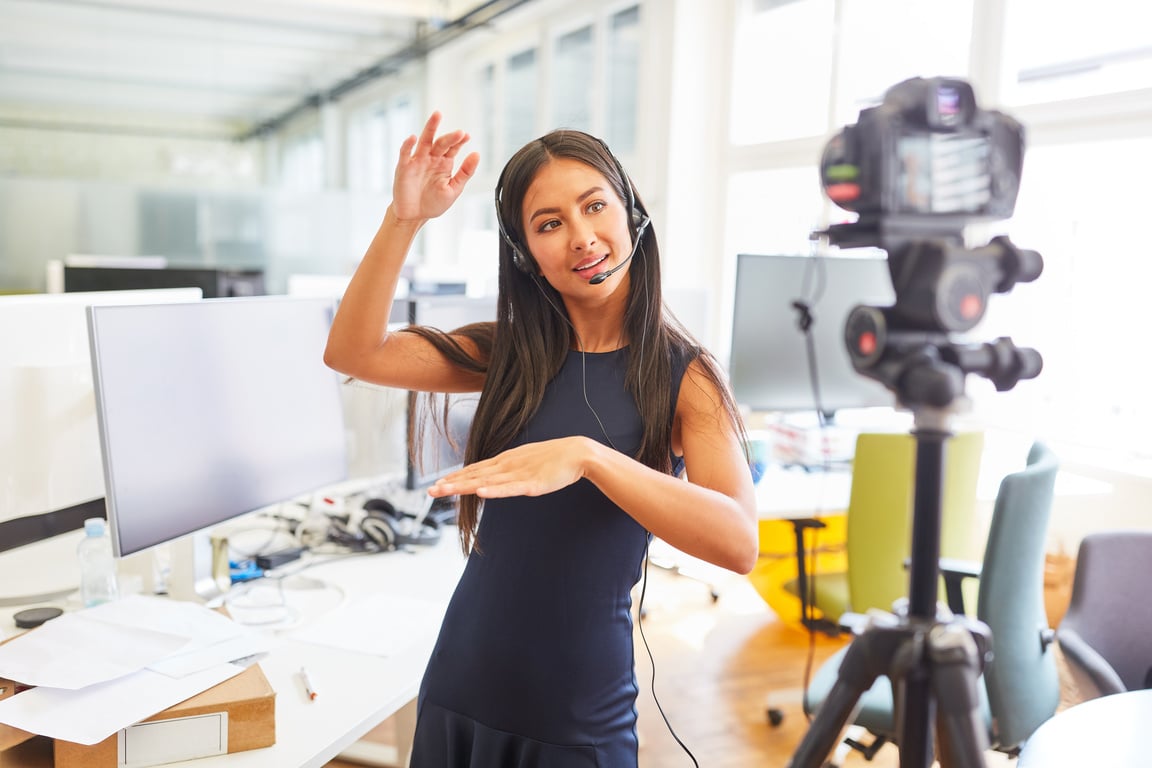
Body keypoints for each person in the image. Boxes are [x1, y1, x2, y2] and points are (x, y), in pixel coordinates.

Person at [324, 111, 758, 767]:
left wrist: (588, 457)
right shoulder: (507, 353)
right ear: (525, 253)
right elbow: (353, 352)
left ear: (631, 212)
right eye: (549, 224)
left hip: (576, 710)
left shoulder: (683, 376)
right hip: (460, 682)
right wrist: (405, 219)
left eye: (594, 207)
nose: (581, 237)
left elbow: (739, 542)